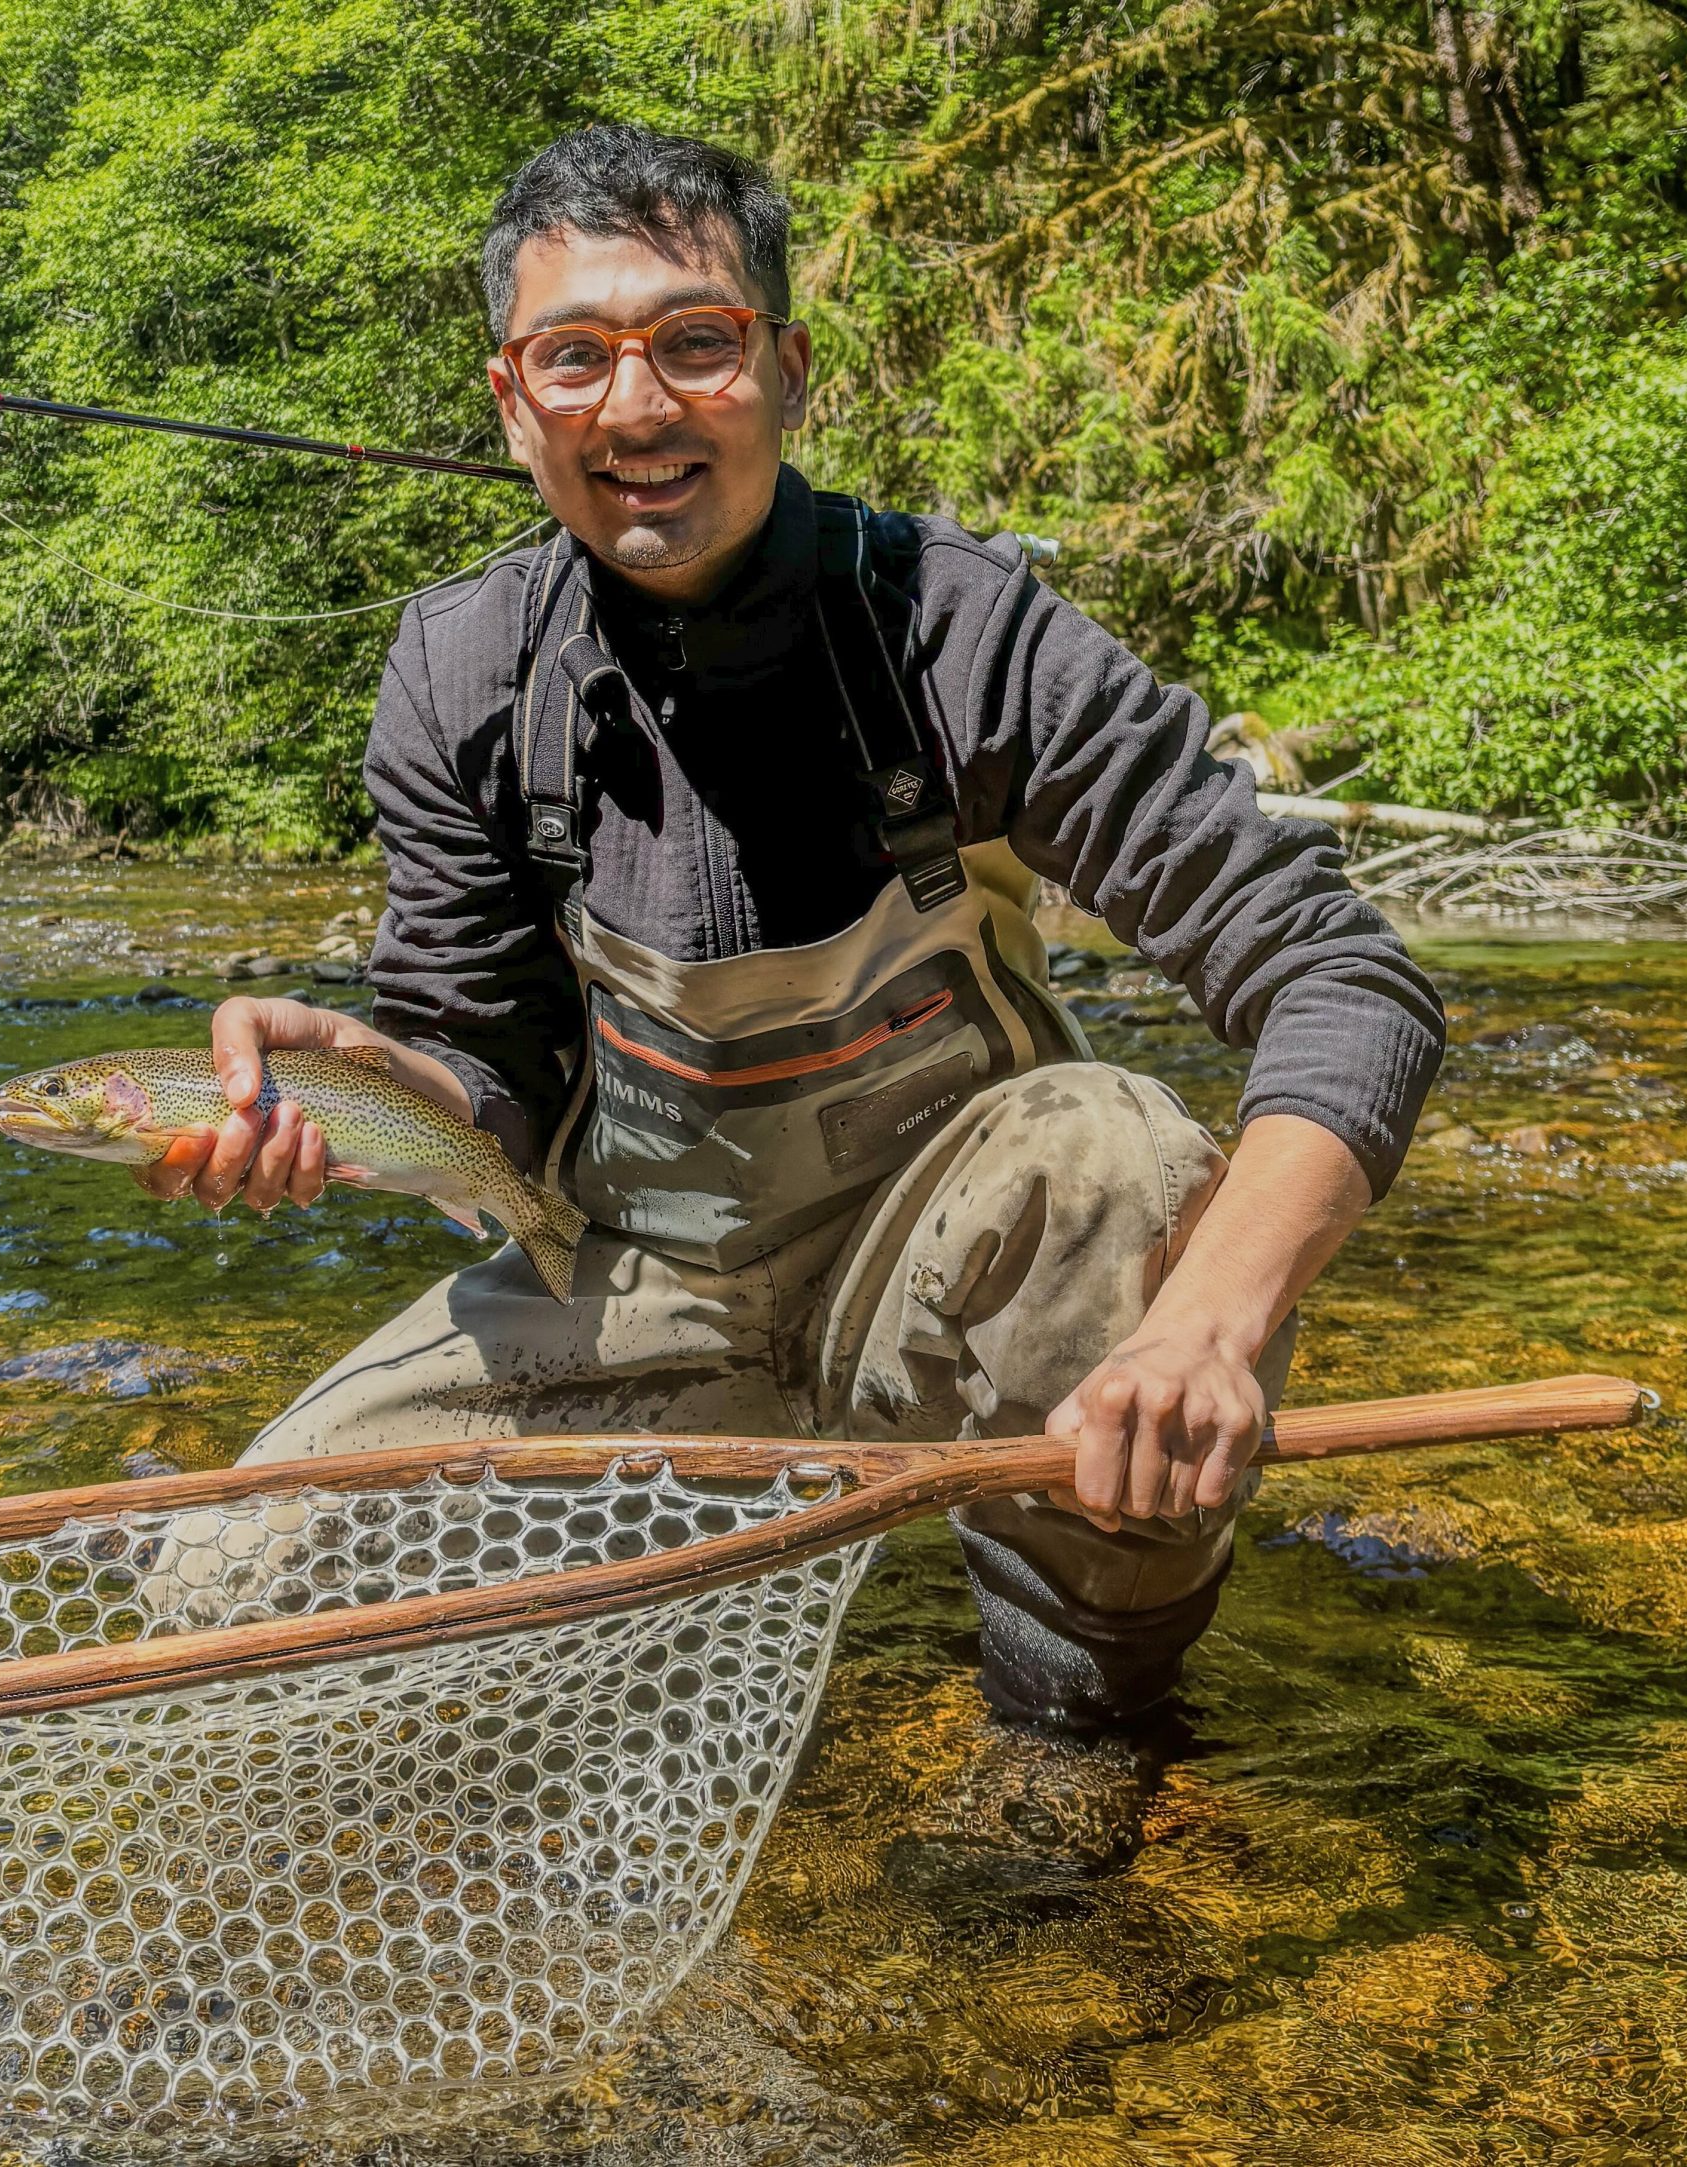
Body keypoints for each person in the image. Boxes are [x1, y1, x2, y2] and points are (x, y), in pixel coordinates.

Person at [135, 125, 1445, 1732]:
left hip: (954, 1272)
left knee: (1114, 1156)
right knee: (233, 1588)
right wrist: (378, 1086)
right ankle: (664, 1605)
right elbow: (490, 1073)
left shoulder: (961, 629)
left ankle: (1080, 1726)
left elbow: (1342, 975)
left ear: (789, 368)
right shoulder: (463, 672)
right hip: (646, 1282)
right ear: (510, 400)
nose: (637, 408)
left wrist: (1207, 1327)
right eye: (575, 358)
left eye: (698, 343)